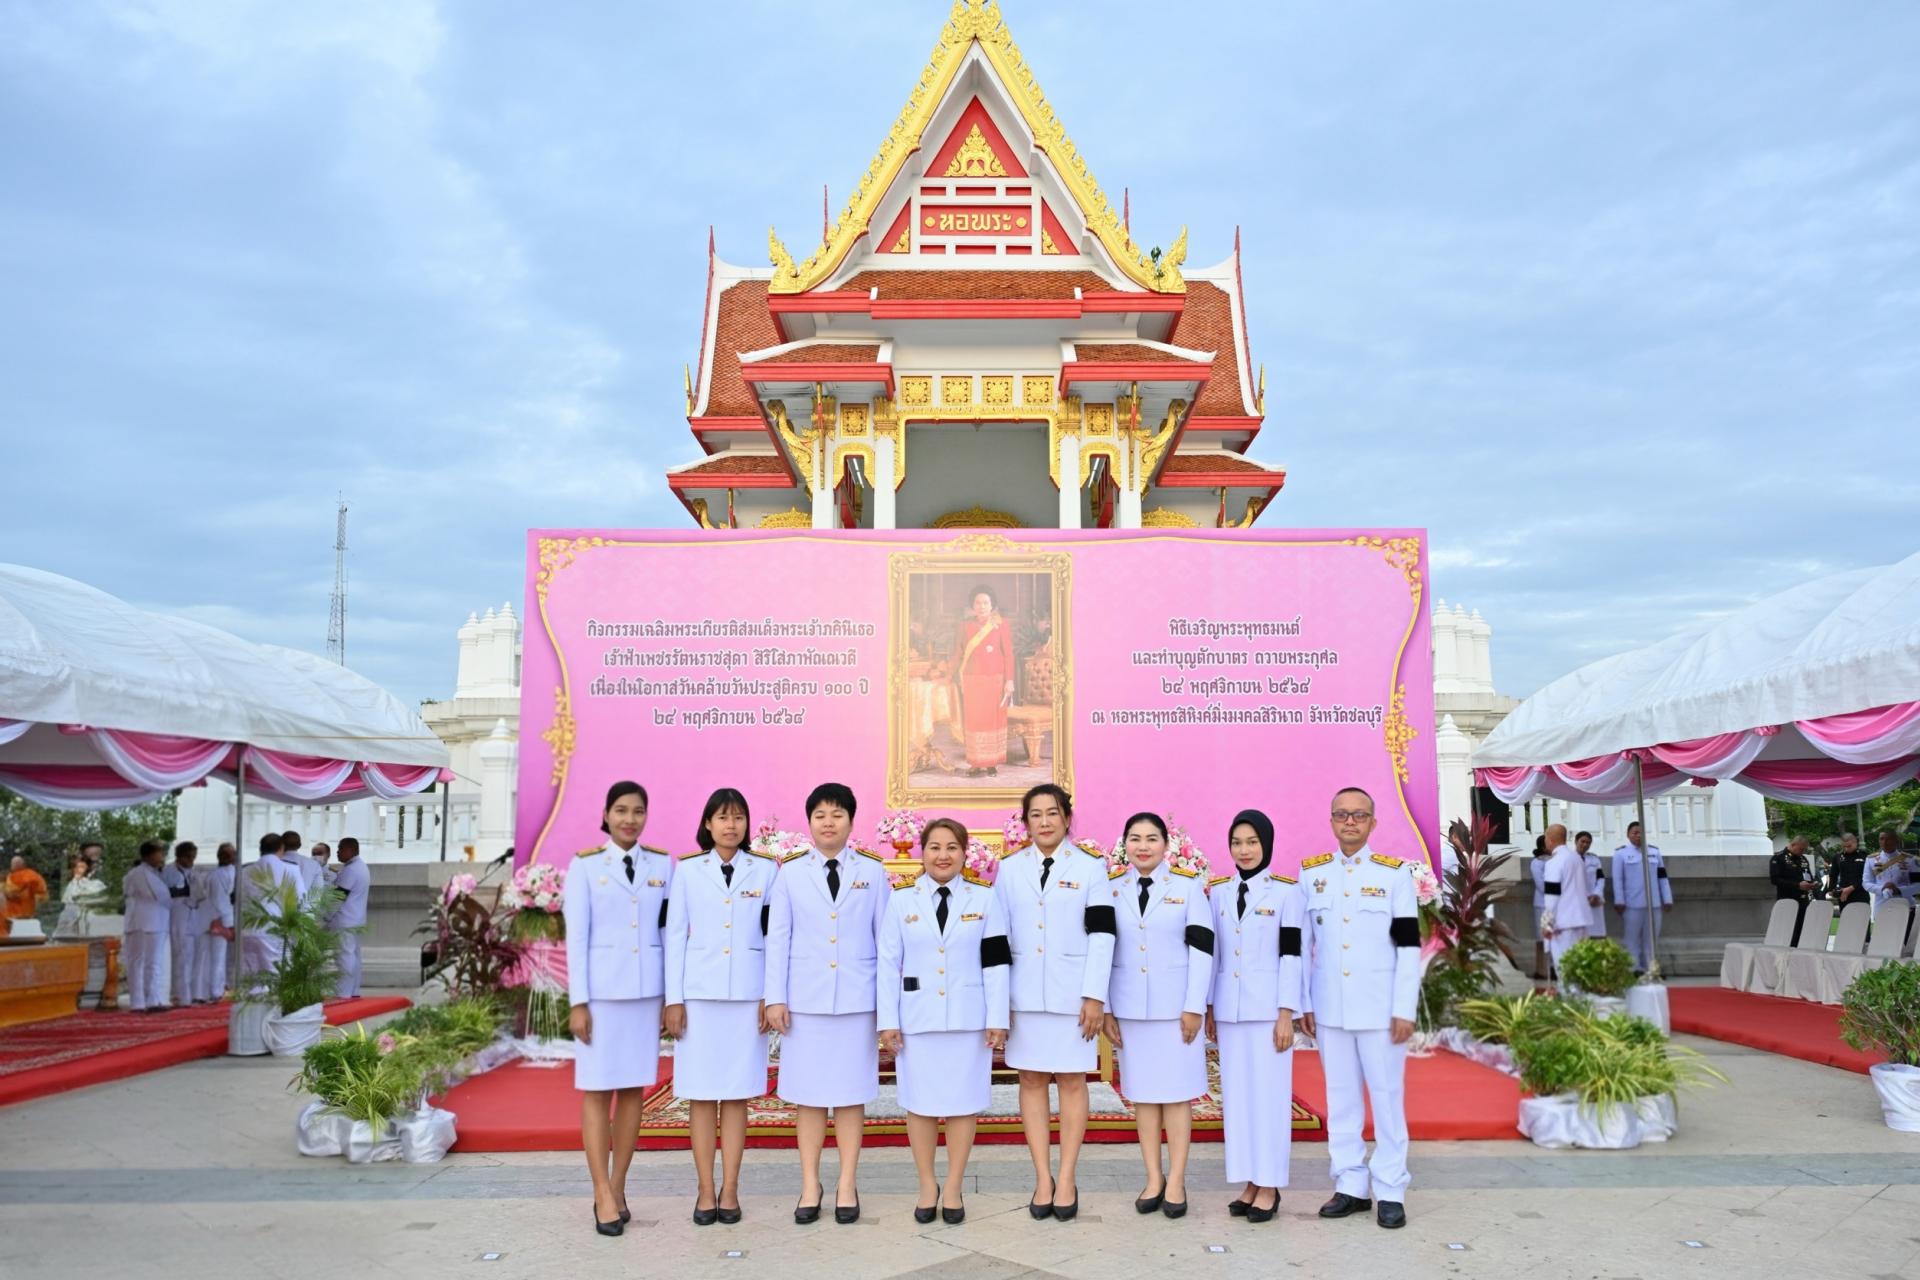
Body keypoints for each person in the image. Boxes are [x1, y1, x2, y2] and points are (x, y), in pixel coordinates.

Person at [763, 782, 886, 1226]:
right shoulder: (790, 873)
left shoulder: (873, 873)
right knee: (809, 1099)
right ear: (809, 822)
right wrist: (775, 997)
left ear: (852, 821)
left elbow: (885, 943)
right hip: (807, 1003)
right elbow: (778, 939)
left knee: (852, 1098)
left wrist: (885, 1010)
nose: (829, 822)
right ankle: (811, 1183)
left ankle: (848, 1183)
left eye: (837, 814)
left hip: (857, 1001)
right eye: (820, 814)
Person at [876, 817, 1010, 1226]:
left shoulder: (984, 899)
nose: (943, 855)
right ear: (922, 852)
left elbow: (996, 962)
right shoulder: (901, 900)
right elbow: (887, 964)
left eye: (952, 847)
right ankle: (926, 1185)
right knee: (919, 1104)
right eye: (935, 847)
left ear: (965, 853)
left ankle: (952, 1186)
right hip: (917, 1019)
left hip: (969, 1019)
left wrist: (998, 1016)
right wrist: (887, 1020)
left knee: (963, 1104)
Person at [1300, 786, 1420, 1230]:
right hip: (1330, 1008)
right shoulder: (1312, 874)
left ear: (1373, 823)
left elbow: (1409, 947)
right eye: (1342, 815)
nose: (1350, 822)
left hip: (1380, 1009)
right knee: (1341, 1099)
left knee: (1387, 1100)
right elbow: (1304, 946)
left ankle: (1390, 1187)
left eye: (1359, 815)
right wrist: (1304, 1003)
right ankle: (1350, 1184)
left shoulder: (1394, 876)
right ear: (1331, 821)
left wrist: (1404, 1007)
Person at [995, 784, 1115, 1221]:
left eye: (1052, 813)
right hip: (1023, 995)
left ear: (1067, 818)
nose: (1044, 822)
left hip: (1072, 996)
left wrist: (1095, 995)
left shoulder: (1091, 868)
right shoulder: (1008, 870)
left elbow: (1103, 934)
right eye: (1035, 815)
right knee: (1029, 1081)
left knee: (1071, 1082)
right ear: (1025, 822)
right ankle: (1042, 1177)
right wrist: (998, 1001)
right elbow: (997, 939)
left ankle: (1066, 1177)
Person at [663, 788, 781, 1227]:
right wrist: (673, 999)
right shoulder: (689, 871)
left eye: (738, 817)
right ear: (707, 824)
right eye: (722, 817)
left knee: (736, 1096)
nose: (731, 825)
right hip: (699, 997)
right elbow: (675, 936)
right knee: (700, 1095)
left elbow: (774, 938)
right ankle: (704, 1188)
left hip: (747, 999)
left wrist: (770, 995)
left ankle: (730, 1188)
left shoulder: (766, 871)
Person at [564, 780, 672, 1238]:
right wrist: (578, 1003)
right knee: (596, 1092)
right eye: (622, 810)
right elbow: (577, 938)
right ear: (606, 815)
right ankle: (600, 1193)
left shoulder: (664, 865)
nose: (630, 819)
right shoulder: (586, 867)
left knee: (632, 1094)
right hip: (602, 999)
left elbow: (669, 933)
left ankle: (618, 1186)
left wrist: (671, 998)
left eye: (638, 811)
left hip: (645, 996)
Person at [1103, 812, 1213, 1220]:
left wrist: (1193, 1006)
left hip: (1175, 1011)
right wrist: (1109, 1007)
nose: (1143, 846)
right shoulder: (1112, 889)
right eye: (1135, 838)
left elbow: (1202, 949)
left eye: (1151, 838)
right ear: (1125, 845)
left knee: (1178, 1096)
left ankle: (1178, 1179)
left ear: (1166, 845)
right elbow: (1104, 950)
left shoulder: (1187, 888)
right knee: (1143, 1096)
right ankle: (1153, 1177)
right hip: (1130, 1010)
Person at [1206, 809, 1305, 1224]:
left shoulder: (1286, 893)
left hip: (1268, 1014)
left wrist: (1287, 1013)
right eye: (1237, 842)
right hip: (1230, 1010)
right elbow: (1212, 955)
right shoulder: (1218, 893)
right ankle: (1249, 1180)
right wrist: (1209, 1005)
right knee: (1239, 1100)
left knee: (1269, 1099)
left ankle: (1270, 1184)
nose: (1244, 850)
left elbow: (1291, 954)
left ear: (1266, 844)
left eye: (1252, 842)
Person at [952, 584, 1015, 777]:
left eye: (985, 602)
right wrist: (949, 674)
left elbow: (1009, 655)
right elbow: (958, 653)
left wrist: (1009, 680)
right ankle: (975, 763)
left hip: (995, 680)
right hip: (972, 681)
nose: (982, 606)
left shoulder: (1001, 624)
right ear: (972, 605)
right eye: (978, 602)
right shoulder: (965, 626)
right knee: (974, 722)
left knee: (992, 721)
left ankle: (991, 763)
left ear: (992, 604)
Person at [1610, 822, 1672, 974]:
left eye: (1640, 833)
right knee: (1631, 938)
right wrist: (1619, 900)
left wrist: (1667, 898)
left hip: (1654, 903)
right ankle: (1634, 968)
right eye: (1635, 833)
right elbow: (1617, 879)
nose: (1638, 836)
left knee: (1651, 938)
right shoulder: (1621, 854)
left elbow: (1662, 877)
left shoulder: (1654, 852)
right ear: (1628, 834)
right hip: (1632, 903)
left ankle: (1651, 968)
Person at [1539, 825, 1595, 983]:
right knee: (1580, 968)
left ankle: (1570, 1003)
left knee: (1564, 968)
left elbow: (1552, 895)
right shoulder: (1577, 858)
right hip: (1581, 920)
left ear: (1549, 840)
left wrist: (1547, 924)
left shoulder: (1554, 863)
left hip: (1563, 923)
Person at [122, 839, 173, 1012]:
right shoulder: (140, 873)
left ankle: (150, 1000)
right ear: (149, 855)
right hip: (145, 922)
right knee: (142, 962)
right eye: (160, 853)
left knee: (149, 962)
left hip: (152, 921)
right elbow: (160, 896)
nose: (162, 856)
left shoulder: (153, 873)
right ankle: (141, 1001)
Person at [328, 837, 370, 997]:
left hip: (345, 920)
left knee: (344, 956)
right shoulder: (361, 867)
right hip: (356, 919)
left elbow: (337, 898)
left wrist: (324, 917)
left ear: (350, 850)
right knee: (353, 955)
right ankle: (353, 990)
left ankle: (343, 993)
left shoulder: (351, 870)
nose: (337, 852)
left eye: (340, 849)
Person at [197, 842, 238, 1002]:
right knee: (217, 957)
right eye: (226, 854)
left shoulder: (235, 872)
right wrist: (224, 923)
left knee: (228, 958)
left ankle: (224, 986)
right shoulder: (216, 875)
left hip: (229, 918)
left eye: (232, 854)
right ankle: (215, 991)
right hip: (220, 920)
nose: (230, 857)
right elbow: (218, 900)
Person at [161, 842, 201, 1007]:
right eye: (189, 857)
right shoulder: (168, 872)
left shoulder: (193, 872)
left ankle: (188, 994)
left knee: (190, 957)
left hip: (192, 918)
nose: (192, 860)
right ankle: (180, 996)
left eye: (193, 857)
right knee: (181, 956)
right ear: (179, 856)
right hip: (177, 919)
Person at [1771, 837, 1818, 945]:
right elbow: (1775, 879)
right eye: (1801, 849)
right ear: (1793, 845)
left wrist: (1812, 884)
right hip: (1787, 900)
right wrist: (1797, 885)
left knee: (1802, 930)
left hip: (1803, 901)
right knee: (1788, 931)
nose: (1803, 852)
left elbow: (1808, 876)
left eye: (1804, 850)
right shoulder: (1778, 858)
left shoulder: (1803, 859)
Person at [53, 854, 107, 937]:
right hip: (71, 920)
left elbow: (101, 900)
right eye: (75, 867)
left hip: (91, 918)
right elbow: (68, 903)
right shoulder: (71, 885)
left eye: (81, 867)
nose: (78, 870)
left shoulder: (96, 884)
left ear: (87, 868)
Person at [1867, 829, 1916, 913]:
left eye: (1888, 839)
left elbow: (1917, 885)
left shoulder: (1909, 860)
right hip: (1881, 906)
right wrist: (1881, 889)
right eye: (1881, 839)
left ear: (1896, 841)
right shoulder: (1871, 860)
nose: (1884, 842)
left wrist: (1899, 890)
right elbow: (1866, 883)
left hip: (1905, 906)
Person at [3, 855, 49, 936]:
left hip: (15, 915)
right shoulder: (34, 875)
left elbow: (10, 894)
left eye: (13, 864)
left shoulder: (14, 877)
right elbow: (43, 894)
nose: (12, 866)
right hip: (28, 913)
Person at [1828, 834, 1871, 913]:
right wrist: (1831, 889)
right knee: (1846, 922)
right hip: (1844, 894)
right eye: (1844, 846)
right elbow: (1833, 874)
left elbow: (1867, 876)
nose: (1846, 849)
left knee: (1862, 921)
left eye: (1849, 846)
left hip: (1860, 892)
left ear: (1855, 843)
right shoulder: (1838, 857)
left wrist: (1852, 887)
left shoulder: (1864, 855)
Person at [1577, 831, 1607, 938]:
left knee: (1596, 935)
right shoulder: (1570, 859)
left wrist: (1596, 894)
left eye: (1588, 842)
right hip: (1578, 901)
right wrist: (1585, 896)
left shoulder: (1594, 859)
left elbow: (1600, 878)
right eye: (1582, 841)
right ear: (1576, 841)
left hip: (1594, 900)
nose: (1585, 844)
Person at [1527, 838, 1549, 980]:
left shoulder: (1556, 860)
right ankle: (1541, 970)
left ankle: (1552, 969)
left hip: (1557, 904)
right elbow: (1541, 885)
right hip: (1542, 904)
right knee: (1541, 939)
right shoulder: (1537, 862)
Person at [281, 830, 321, 898]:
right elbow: (317, 890)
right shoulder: (313, 864)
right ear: (299, 845)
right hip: (305, 907)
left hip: (276, 907)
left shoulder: (271, 863)